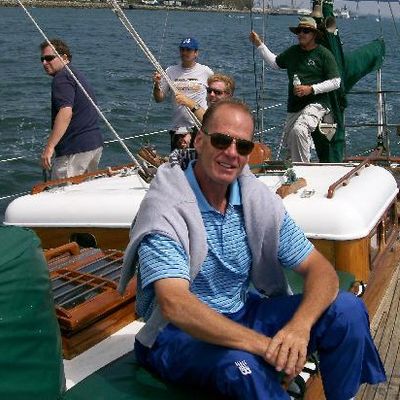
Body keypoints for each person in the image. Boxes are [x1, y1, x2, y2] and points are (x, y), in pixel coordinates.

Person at [119, 98, 385, 399]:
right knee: (241, 367)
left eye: (243, 146)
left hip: (242, 312)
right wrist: (267, 348)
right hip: (176, 333)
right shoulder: (166, 209)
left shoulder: (255, 201)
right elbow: (175, 304)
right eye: (221, 141)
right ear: (199, 141)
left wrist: (299, 327)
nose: (231, 153)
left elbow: (319, 269)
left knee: (347, 309)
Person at [250, 17, 341, 162]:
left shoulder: (324, 54)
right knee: (291, 141)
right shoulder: (293, 52)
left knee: (299, 130)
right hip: (294, 106)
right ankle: (296, 166)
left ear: (314, 34)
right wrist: (259, 44)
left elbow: (336, 82)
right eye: (299, 31)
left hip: (317, 104)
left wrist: (311, 89)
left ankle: (303, 169)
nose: (301, 34)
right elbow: (275, 63)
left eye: (306, 31)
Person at [40, 39, 103, 179]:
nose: (44, 63)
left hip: (74, 150)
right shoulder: (75, 75)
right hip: (93, 145)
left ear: (64, 57)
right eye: (42, 59)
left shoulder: (61, 78)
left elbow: (65, 112)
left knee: (63, 191)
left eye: (49, 58)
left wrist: (49, 148)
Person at [152, 37, 213, 149]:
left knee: (200, 159)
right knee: (178, 160)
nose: (184, 52)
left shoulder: (206, 72)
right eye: (182, 49)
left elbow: (215, 95)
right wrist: (156, 85)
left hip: (200, 127)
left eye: (188, 50)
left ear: (196, 53)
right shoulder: (170, 71)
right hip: (178, 129)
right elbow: (159, 99)